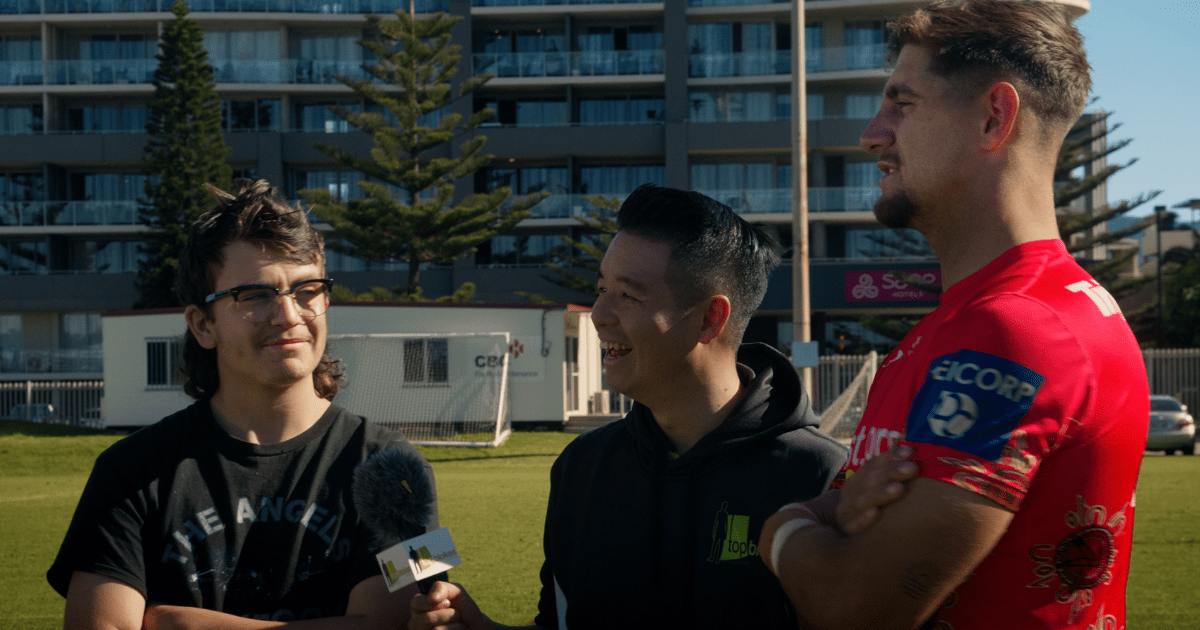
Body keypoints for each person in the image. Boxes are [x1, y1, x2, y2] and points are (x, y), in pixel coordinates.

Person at [760, 2, 1150, 630]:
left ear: (995, 118)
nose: (872, 134)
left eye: (902, 105)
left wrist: (783, 525)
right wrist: (829, 519)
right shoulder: (979, 319)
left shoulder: (1016, 331)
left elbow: (851, 606)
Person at [410, 185, 851, 630]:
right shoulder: (582, 467)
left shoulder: (822, 477)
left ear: (709, 318)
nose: (599, 313)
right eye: (601, 287)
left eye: (628, 295)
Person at [48, 179, 439, 629]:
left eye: (307, 290)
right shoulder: (128, 472)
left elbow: (402, 622)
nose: (289, 315)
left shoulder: (400, 470)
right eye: (255, 296)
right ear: (202, 325)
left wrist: (185, 625)